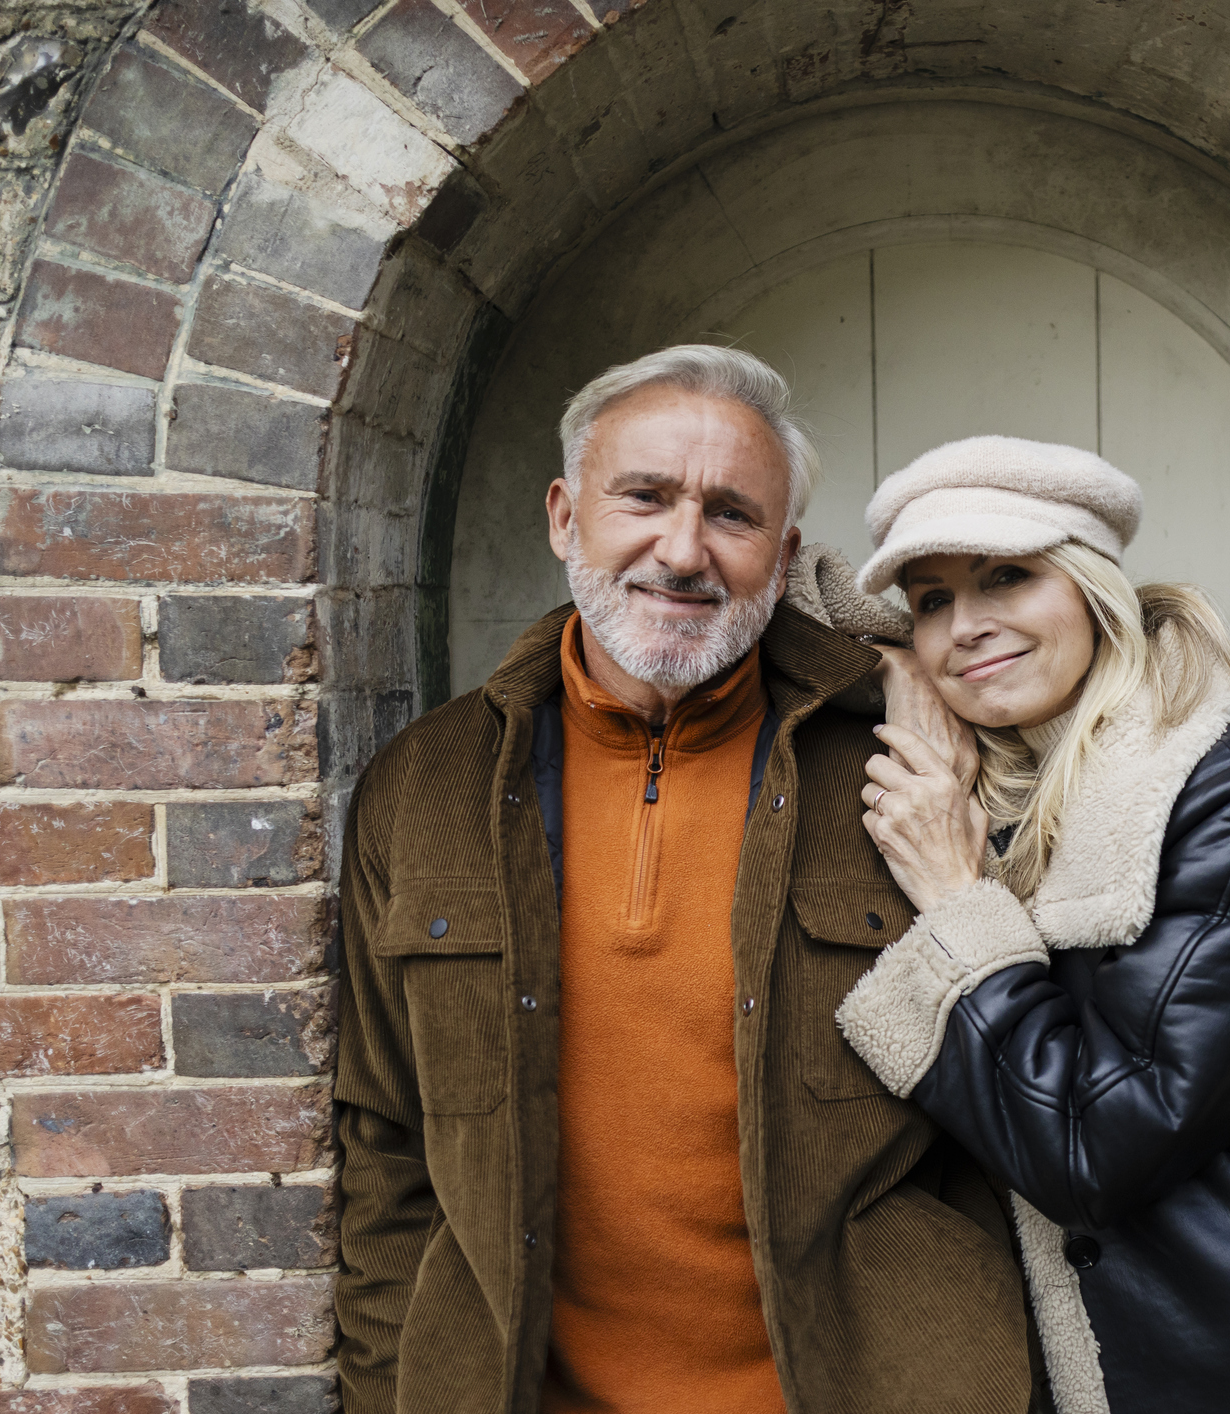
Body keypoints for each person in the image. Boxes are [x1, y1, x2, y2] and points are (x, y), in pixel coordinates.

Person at [333, 347, 1040, 1414]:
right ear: (567, 517)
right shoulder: (425, 785)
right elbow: (385, 1145)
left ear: (785, 552)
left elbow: (1025, 1090)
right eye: (646, 498)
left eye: (731, 514)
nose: (683, 549)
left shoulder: (908, 762)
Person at [834, 436, 1230, 1414]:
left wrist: (958, 901)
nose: (968, 625)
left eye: (1007, 576)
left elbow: (1094, 1144)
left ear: (1090, 585)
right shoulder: (1000, 780)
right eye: (933, 600)